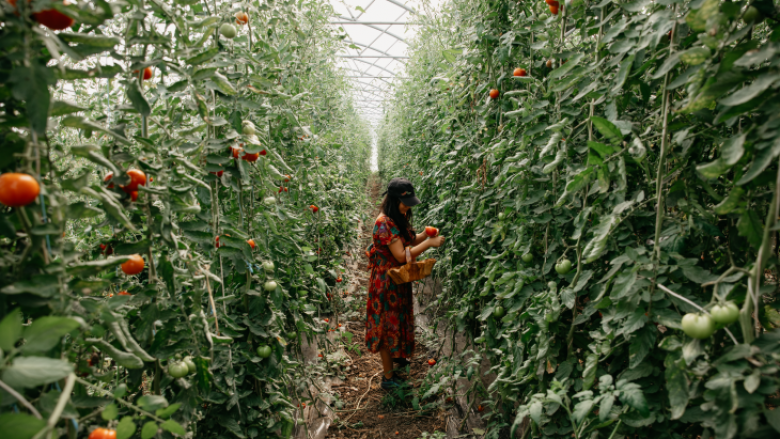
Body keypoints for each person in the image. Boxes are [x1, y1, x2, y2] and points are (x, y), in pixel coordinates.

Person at [365, 178, 445, 389]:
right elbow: (401, 255)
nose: (408, 206)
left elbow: (408, 240)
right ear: (393, 199)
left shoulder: (395, 218)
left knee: (396, 320)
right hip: (386, 283)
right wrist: (429, 244)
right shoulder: (384, 223)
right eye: (405, 202)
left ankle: (397, 358)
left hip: (397, 280)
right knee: (385, 327)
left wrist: (425, 236)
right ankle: (388, 379)